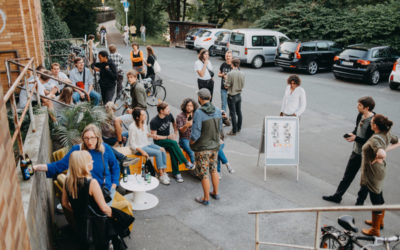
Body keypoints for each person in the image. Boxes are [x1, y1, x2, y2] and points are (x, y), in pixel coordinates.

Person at [33, 124, 134, 223]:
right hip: (86, 193)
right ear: (83, 138)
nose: (89, 142)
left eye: (92, 138)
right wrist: (37, 167)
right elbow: (59, 166)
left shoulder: (105, 148)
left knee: (103, 217)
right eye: (86, 138)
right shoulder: (77, 150)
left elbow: (115, 166)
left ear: (98, 137)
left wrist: (114, 184)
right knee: (95, 218)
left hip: (106, 190)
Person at [322, 96, 376, 204]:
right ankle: (337, 196)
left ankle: (360, 202)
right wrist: (353, 133)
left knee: (365, 181)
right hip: (356, 152)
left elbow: (371, 141)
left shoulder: (374, 121)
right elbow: (357, 129)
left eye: (360, 105)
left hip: (367, 155)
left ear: (367, 107)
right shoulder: (360, 115)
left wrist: (356, 138)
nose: (357, 106)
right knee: (347, 176)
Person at [61, 150, 112, 249]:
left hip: (80, 221)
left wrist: (77, 212)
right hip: (97, 223)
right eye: (90, 160)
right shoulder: (92, 183)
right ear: (83, 164)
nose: (92, 162)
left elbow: (64, 203)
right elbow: (104, 208)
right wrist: (114, 216)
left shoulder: (67, 181)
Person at [358, 114, 399, 236]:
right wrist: (384, 151)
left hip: (373, 172)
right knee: (379, 195)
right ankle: (379, 222)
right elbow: (397, 141)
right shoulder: (386, 133)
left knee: (375, 199)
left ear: (375, 126)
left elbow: (380, 151)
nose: (370, 123)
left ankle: (375, 230)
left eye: (372, 122)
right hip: (379, 170)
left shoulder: (375, 139)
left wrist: (381, 154)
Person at [190, 88, 222, 205]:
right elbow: (219, 129)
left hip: (203, 148)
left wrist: (191, 142)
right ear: (210, 97)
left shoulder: (199, 112)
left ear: (199, 98)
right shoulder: (217, 110)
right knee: (213, 170)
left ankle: (206, 198)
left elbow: (196, 133)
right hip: (214, 146)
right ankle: (216, 192)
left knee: (204, 174)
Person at [150, 102, 194, 183]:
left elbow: (174, 124)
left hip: (168, 141)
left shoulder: (169, 115)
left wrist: (175, 133)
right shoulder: (154, 121)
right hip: (159, 142)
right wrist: (167, 137)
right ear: (161, 111)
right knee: (173, 143)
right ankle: (186, 162)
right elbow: (154, 136)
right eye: (167, 109)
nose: (169, 110)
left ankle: (176, 173)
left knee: (173, 151)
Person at [128, 109, 170, 185]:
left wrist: (152, 135)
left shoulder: (143, 124)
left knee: (162, 149)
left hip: (146, 144)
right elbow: (132, 144)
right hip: (139, 148)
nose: (145, 116)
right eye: (143, 115)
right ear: (137, 117)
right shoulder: (132, 127)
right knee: (158, 152)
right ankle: (161, 175)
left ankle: (164, 172)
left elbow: (146, 134)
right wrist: (142, 151)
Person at [225, 58, 244, 136]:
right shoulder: (242, 73)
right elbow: (243, 84)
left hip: (232, 95)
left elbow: (226, 86)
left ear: (232, 64)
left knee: (232, 114)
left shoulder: (230, 74)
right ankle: (239, 127)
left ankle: (234, 130)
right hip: (239, 95)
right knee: (239, 112)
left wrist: (225, 80)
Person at [176, 98, 198, 165]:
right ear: (184, 106)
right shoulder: (180, 116)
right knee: (191, 152)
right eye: (187, 105)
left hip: (195, 138)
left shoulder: (196, 115)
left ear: (194, 107)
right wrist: (186, 125)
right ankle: (195, 167)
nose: (189, 107)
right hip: (185, 139)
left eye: (191, 106)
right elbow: (181, 131)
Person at [217, 112, 235, 179]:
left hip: (221, 141)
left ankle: (218, 171)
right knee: (217, 150)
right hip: (213, 142)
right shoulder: (209, 120)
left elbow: (228, 124)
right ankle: (228, 165)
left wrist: (225, 117)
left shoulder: (219, 117)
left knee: (217, 150)